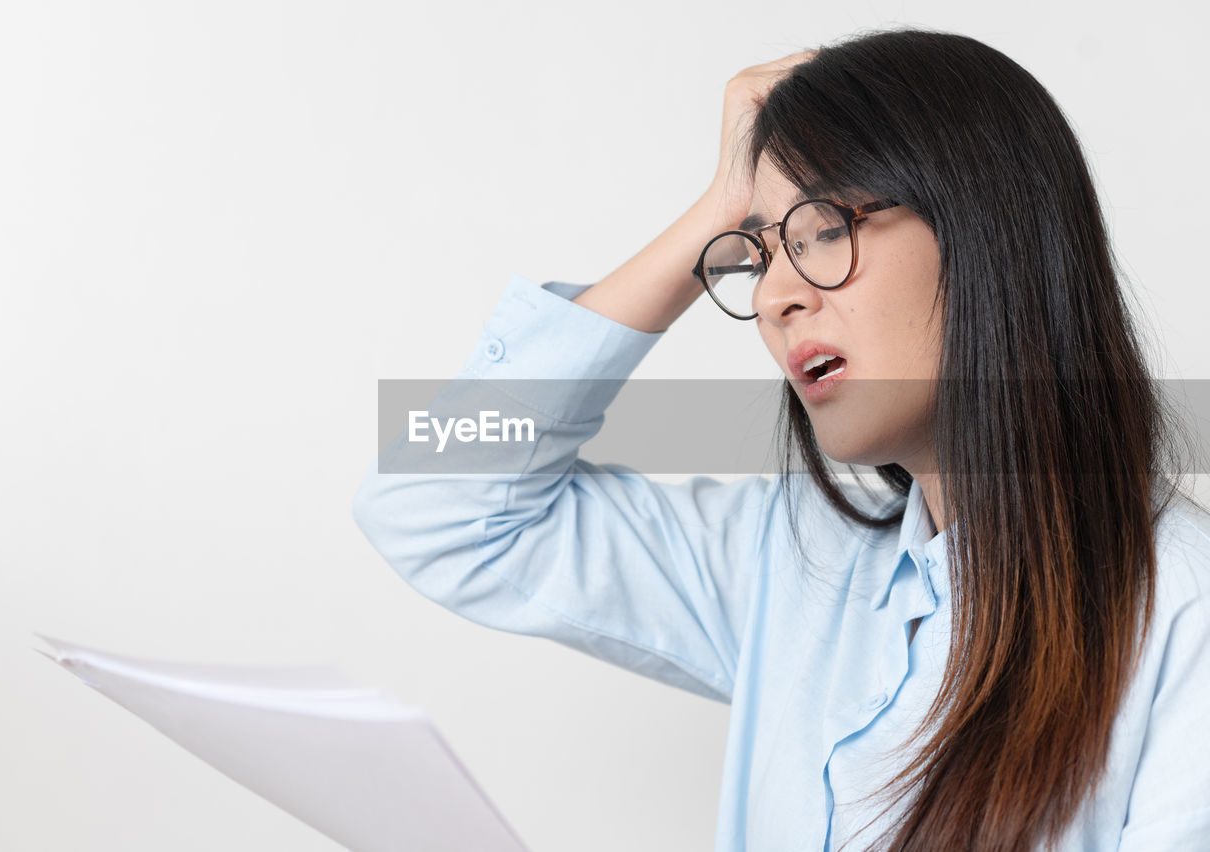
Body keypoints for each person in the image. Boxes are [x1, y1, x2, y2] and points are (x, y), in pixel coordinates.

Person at [352, 27, 1210, 851]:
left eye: (824, 230)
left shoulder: (1184, 613)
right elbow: (437, 501)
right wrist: (714, 213)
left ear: (987, 226)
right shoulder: (794, 562)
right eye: (760, 254)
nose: (771, 299)